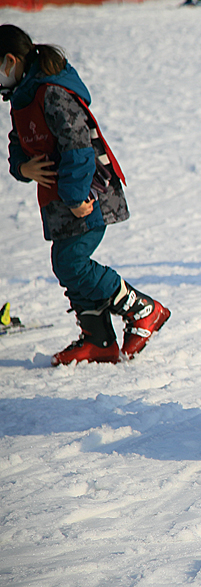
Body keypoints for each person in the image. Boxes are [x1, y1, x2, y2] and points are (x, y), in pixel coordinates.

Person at [1, 25, 170, 365]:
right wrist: (23, 168)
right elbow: (17, 146)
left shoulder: (51, 93)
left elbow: (79, 148)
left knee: (71, 263)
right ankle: (99, 340)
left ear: (9, 61)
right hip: (59, 203)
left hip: (90, 196)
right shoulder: (21, 99)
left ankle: (144, 310)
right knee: (66, 265)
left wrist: (78, 198)